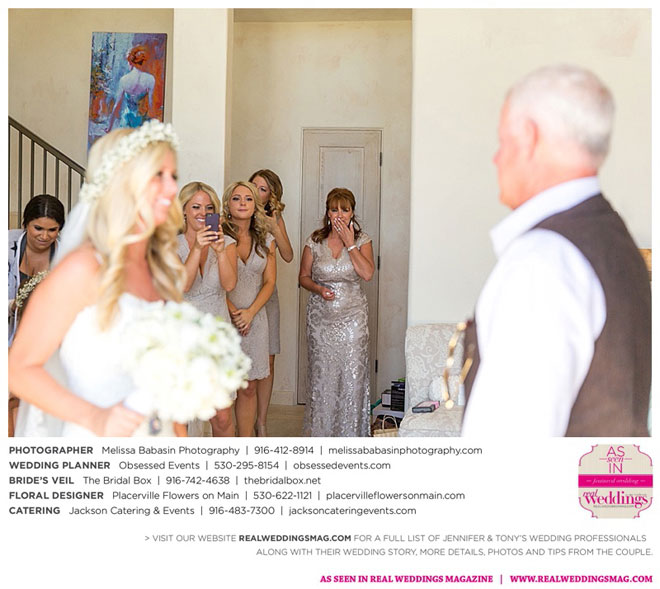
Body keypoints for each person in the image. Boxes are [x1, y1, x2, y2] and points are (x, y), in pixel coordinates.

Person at [461, 64, 651, 437]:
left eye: (503, 141)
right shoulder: (618, 242)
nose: (496, 158)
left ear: (529, 137)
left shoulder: (543, 261)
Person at [8, 120, 188, 437]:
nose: (172, 189)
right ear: (122, 182)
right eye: (157, 176)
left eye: (172, 176)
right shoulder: (83, 269)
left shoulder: (160, 268)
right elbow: (18, 369)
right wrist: (95, 418)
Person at [299, 188, 375, 436]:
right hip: (321, 320)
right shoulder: (314, 241)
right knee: (324, 377)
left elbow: (367, 274)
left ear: (352, 212)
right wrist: (318, 289)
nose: (339, 214)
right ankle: (323, 435)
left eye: (345, 209)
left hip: (353, 319)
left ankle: (350, 435)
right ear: (327, 212)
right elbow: (303, 277)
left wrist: (350, 243)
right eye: (334, 209)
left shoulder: (363, 240)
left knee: (351, 377)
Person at [177, 181, 238, 437]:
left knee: (221, 416)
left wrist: (220, 252)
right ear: (184, 210)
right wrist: (197, 248)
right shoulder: (170, 245)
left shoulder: (228, 243)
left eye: (209, 208)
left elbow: (229, 284)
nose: (203, 212)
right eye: (196, 207)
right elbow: (183, 285)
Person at [224, 181, 277, 437]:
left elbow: (270, 282)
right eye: (236, 198)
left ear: (256, 204)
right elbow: (212, 281)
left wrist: (250, 313)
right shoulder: (218, 236)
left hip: (255, 320)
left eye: (248, 198)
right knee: (226, 389)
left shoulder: (266, 239)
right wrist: (234, 313)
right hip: (225, 317)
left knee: (249, 387)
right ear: (227, 204)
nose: (243, 203)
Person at [248, 169, 293, 437]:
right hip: (241, 295)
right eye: (253, 185)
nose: (255, 192)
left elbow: (288, 255)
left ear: (270, 196)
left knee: (268, 360)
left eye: (262, 189)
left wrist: (274, 226)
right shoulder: (236, 212)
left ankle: (261, 423)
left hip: (268, 297)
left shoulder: (274, 218)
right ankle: (241, 422)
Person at [8, 194, 65, 344]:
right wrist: (12, 306)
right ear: (25, 224)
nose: (44, 236)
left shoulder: (67, 254)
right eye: (38, 228)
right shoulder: (6, 245)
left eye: (52, 230)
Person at [106, 45, 156, 132]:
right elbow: (151, 105)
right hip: (141, 122)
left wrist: (109, 128)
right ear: (143, 62)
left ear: (130, 62)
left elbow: (116, 106)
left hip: (126, 121)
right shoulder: (150, 79)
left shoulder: (124, 80)